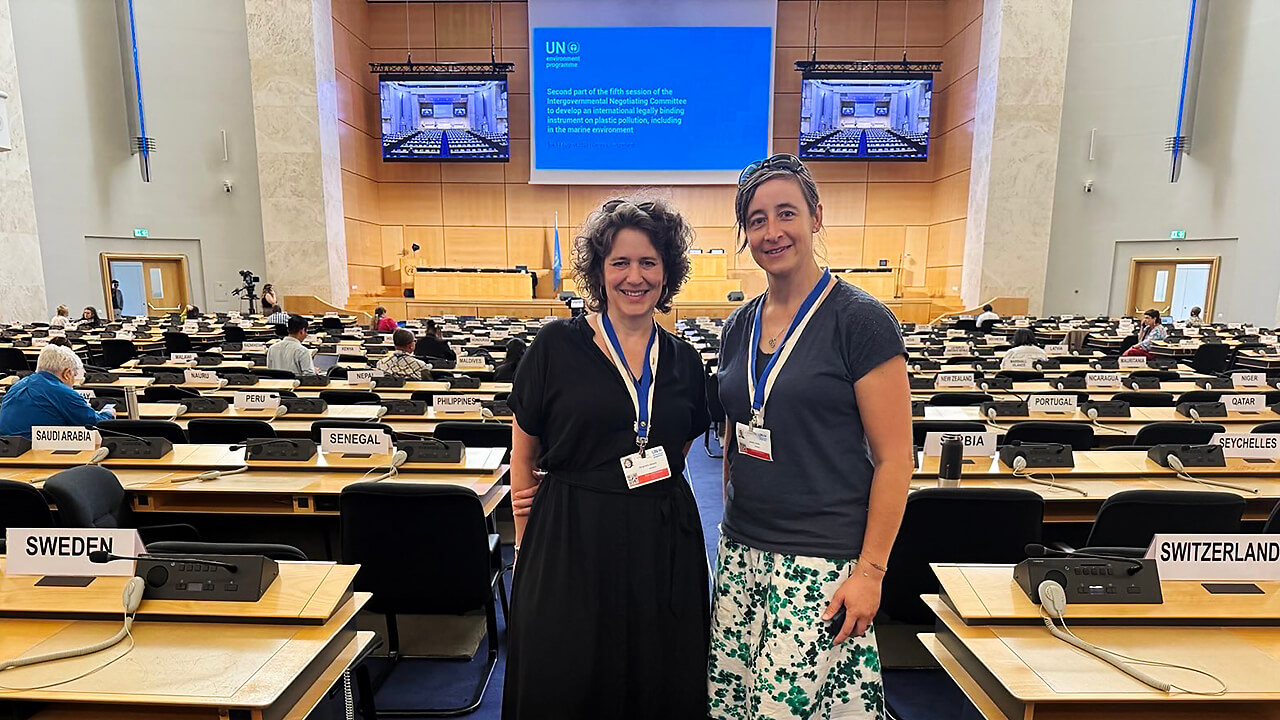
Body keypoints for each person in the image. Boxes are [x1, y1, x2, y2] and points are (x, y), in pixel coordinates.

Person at [710, 154, 911, 719]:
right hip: (743, 552)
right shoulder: (738, 326)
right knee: (732, 707)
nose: (772, 232)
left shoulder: (861, 320)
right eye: (756, 219)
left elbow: (897, 458)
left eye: (786, 213)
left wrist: (871, 571)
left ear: (816, 217)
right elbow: (735, 432)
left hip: (821, 562)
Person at [503, 198, 710, 719]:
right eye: (619, 262)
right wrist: (527, 536)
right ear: (599, 272)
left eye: (648, 263)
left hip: (662, 537)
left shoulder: (684, 361)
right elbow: (523, 449)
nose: (634, 277)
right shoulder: (554, 345)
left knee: (655, 675)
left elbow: (680, 446)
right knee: (567, 675)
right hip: (570, 533)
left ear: (667, 273)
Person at [0, 344, 115, 437]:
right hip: (39, 452)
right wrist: (108, 413)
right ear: (67, 373)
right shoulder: (63, 393)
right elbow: (97, 424)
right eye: (74, 375)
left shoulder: (16, 386)